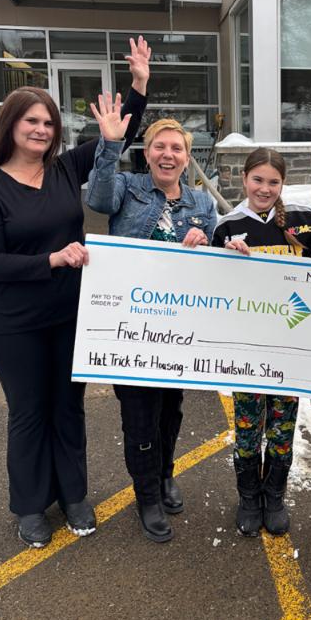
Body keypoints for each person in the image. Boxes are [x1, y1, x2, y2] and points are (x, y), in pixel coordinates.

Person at [0, 37, 150, 547]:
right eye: (31, 121)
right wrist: (52, 259)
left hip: (71, 313)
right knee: (30, 409)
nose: (40, 129)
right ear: (11, 126)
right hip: (13, 323)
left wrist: (139, 86)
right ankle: (31, 505)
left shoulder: (63, 169)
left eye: (48, 122)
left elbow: (116, 137)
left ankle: (73, 494)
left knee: (67, 406)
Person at [86, 113, 217, 543]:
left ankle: (164, 476)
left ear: (186, 156)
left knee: (171, 410)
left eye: (176, 148)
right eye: (160, 146)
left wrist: (205, 249)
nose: (168, 154)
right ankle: (147, 495)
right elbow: (98, 200)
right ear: (146, 152)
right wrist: (109, 143)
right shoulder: (127, 188)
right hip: (131, 328)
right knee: (139, 416)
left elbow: (209, 270)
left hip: (177, 330)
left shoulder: (202, 203)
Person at [211, 148, 311, 537]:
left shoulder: (303, 220)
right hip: (249, 349)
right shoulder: (228, 225)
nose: (265, 188)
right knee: (249, 429)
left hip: (291, 348)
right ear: (244, 179)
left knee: (282, 430)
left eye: (273, 182)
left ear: (282, 184)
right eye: (257, 180)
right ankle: (249, 497)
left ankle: (275, 496)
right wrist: (224, 255)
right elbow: (213, 286)